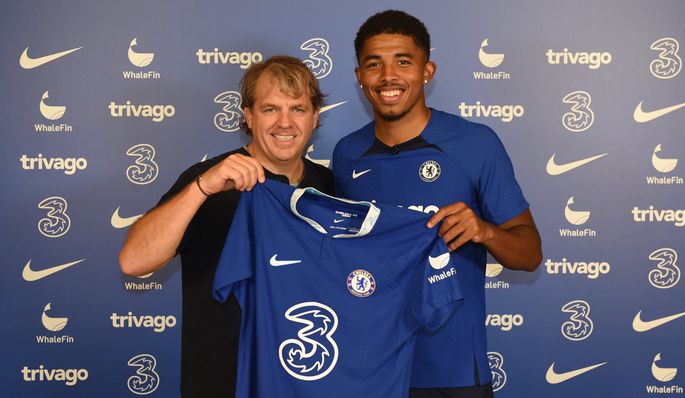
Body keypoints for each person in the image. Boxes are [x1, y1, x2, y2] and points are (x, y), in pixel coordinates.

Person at [332, 10, 542, 398]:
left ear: (427, 71)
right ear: (360, 76)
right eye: (374, 65)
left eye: (403, 62)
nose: (388, 76)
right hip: (370, 368)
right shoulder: (347, 154)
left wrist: (485, 230)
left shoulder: (475, 144)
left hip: (454, 370)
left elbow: (529, 255)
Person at [118, 55, 334, 398]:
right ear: (248, 115)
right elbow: (133, 262)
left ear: (315, 117)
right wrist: (202, 188)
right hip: (222, 383)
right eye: (270, 109)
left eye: (297, 108)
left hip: (304, 380)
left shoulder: (328, 187)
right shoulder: (208, 182)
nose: (285, 122)